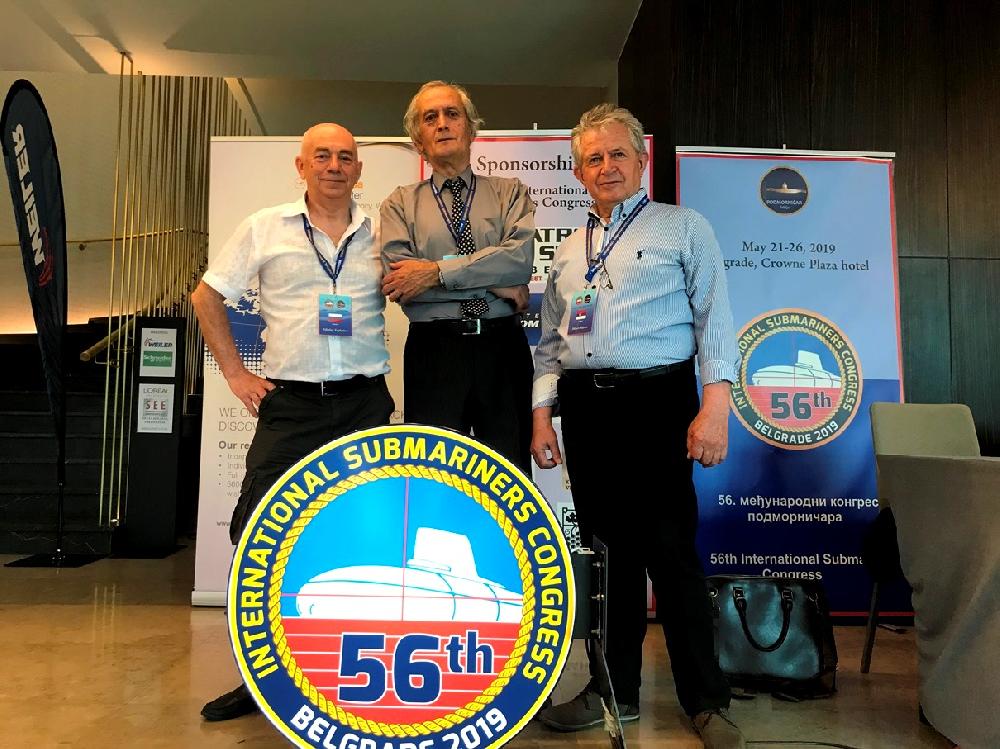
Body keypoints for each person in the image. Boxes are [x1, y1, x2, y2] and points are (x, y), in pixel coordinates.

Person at [530, 104, 746, 749]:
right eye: (592, 158)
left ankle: (705, 701)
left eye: (617, 154)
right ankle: (613, 691)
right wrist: (542, 415)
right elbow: (550, 344)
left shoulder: (684, 227)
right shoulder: (568, 250)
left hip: (659, 402)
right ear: (578, 172)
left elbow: (714, 318)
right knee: (608, 558)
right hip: (587, 409)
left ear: (642, 160)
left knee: (672, 552)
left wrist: (715, 405)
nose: (606, 167)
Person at [191, 122, 394, 722]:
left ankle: (354, 669)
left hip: (364, 402)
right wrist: (235, 374)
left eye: (346, 157)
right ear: (301, 167)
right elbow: (206, 296)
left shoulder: (384, 230)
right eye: (322, 156)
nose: (334, 166)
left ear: (359, 170)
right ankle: (261, 678)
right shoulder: (265, 226)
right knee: (260, 534)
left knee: (365, 535)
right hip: (293, 406)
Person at [380, 81, 534, 472]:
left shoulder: (510, 193)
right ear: (418, 139)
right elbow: (402, 284)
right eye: (430, 118)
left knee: (511, 472)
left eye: (452, 114)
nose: (442, 123)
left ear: (470, 129)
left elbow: (518, 261)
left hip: (502, 349)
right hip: (434, 351)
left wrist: (433, 272)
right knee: (434, 476)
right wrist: (495, 282)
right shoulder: (399, 203)